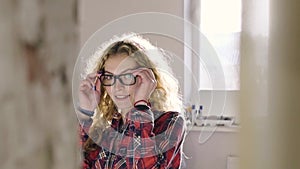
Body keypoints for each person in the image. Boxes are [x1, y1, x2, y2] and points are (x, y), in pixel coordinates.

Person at [77, 33, 186, 169]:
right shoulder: (106, 131)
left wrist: (140, 106)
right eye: (109, 77)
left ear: (146, 78)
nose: (117, 87)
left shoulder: (171, 122)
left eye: (127, 76)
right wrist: (85, 113)